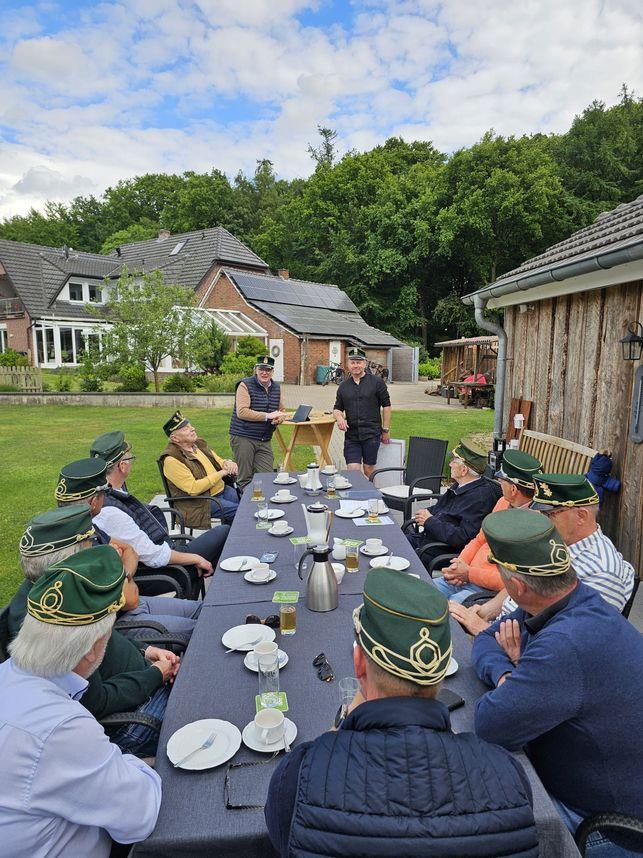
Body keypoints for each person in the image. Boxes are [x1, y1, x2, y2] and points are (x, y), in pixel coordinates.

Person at [265, 569, 538, 857]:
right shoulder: (509, 776)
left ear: (359, 665)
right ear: (442, 671)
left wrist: (342, 724)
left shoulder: (299, 775)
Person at [472, 508, 643, 857]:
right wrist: (509, 674)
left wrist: (517, 675)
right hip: (607, 782)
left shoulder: (566, 643)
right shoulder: (568, 598)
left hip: (609, 827)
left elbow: (490, 724)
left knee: (483, 815)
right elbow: (487, 639)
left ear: (516, 586)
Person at [0, 545, 162, 857]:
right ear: (90, 650)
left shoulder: (12, 679)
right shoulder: (61, 728)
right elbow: (142, 814)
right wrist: (123, 761)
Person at [8, 519, 179, 756]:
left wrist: (146, 651)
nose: (97, 548)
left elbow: (109, 639)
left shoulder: (54, 599)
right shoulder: (50, 625)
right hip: (131, 719)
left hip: (144, 679)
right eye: (89, 544)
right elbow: (96, 701)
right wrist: (156, 674)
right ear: (66, 563)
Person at [451, 473, 636, 635]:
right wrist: (487, 610)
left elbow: (567, 644)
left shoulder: (602, 572)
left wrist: (482, 630)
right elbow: (520, 583)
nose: (542, 522)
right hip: (503, 627)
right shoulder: (559, 543)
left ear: (581, 516)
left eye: (550, 515)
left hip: (520, 652)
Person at [56, 457, 211, 637]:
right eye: (102, 494)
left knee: (206, 611)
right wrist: (124, 576)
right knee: (204, 630)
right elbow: (130, 599)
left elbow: (130, 551)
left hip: (134, 603)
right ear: (93, 502)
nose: (105, 497)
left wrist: (124, 575)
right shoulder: (78, 542)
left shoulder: (88, 528)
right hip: (117, 624)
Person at [437, 449, 541, 603]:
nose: (499, 482)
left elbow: (512, 581)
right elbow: (480, 539)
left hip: (486, 591)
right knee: (423, 594)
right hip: (466, 575)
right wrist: (460, 565)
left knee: (445, 610)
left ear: (513, 489)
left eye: (502, 480)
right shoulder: (503, 502)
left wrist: (469, 574)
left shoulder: (535, 526)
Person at [406, 440, 501, 571]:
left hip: (440, 552)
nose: (450, 464)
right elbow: (441, 508)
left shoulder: (479, 499)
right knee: (395, 539)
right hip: (428, 540)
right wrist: (425, 513)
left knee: (398, 556)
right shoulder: (462, 484)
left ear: (464, 470)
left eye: (454, 461)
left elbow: (462, 537)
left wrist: (429, 521)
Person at [161, 410, 240, 526]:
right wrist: (222, 473)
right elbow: (193, 489)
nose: (192, 429)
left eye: (190, 426)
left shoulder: (197, 445)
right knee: (241, 512)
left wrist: (227, 463)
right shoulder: (172, 460)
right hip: (200, 502)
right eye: (186, 429)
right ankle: (234, 540)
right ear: (175, 439)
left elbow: (218, 460)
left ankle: (231, 535)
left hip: (222, 491)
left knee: (250, 504)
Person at [229, 354, 288, 489]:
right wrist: (267, 416)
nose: (264, 372)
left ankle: (264, 507)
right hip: (244, 437)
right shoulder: (245, 385)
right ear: (256, 369)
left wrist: (279, 418)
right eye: (261, 369)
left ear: (273, 372)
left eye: (268, 369)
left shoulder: (276, 388)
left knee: (267, 477)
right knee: (245, 478)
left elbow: (281, 410)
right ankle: (244, 509)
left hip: (264, 439)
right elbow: (242, 412)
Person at [333, 346, 392, 479]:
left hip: (371, 435)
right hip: (352, 436)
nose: (356, 365)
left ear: (364, 363)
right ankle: (356, 498)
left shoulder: (377, 383)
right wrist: (339, 418)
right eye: (353, 362)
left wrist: (386, 430)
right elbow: (337, 408)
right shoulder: (343, 386)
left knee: (368, 469)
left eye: (359, 362)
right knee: (353, 471)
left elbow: (387, 406)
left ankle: (372, 496)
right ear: (348, 364)